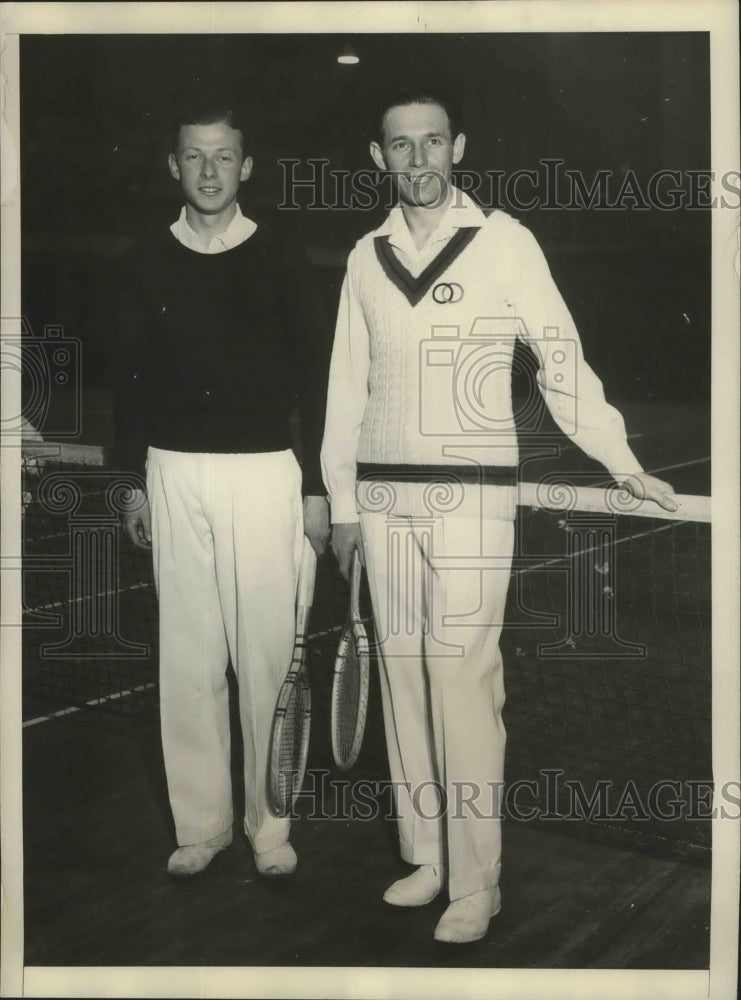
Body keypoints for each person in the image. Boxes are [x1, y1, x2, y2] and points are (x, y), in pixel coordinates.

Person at [320, 88, 677, 943]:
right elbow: (344, 388)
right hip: (381, 497)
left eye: (432, 142)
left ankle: (477, 883)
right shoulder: (364, 255)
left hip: (475, 497)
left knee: (461, 680)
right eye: (399, 146)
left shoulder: (506, 241)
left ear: (458, 148)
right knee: (403, 676)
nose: (417, 160)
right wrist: (340, 502)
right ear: (379, 159)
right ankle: (428, 857)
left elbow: (561, 362)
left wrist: (621, 462)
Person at [113, 94, 330, 879]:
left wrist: (315, 487)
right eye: (194, 156)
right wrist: (129, 482)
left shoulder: (281, 254)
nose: (209, 171)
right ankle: (200, 825)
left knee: (266, 658)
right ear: (175, 166)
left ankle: (269, 829)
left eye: (223, 156)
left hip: (265, 474)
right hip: (172, 473)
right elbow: (128, 383)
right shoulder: (142, 261)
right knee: (189, 658)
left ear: (246, 166)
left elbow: (316, 377)